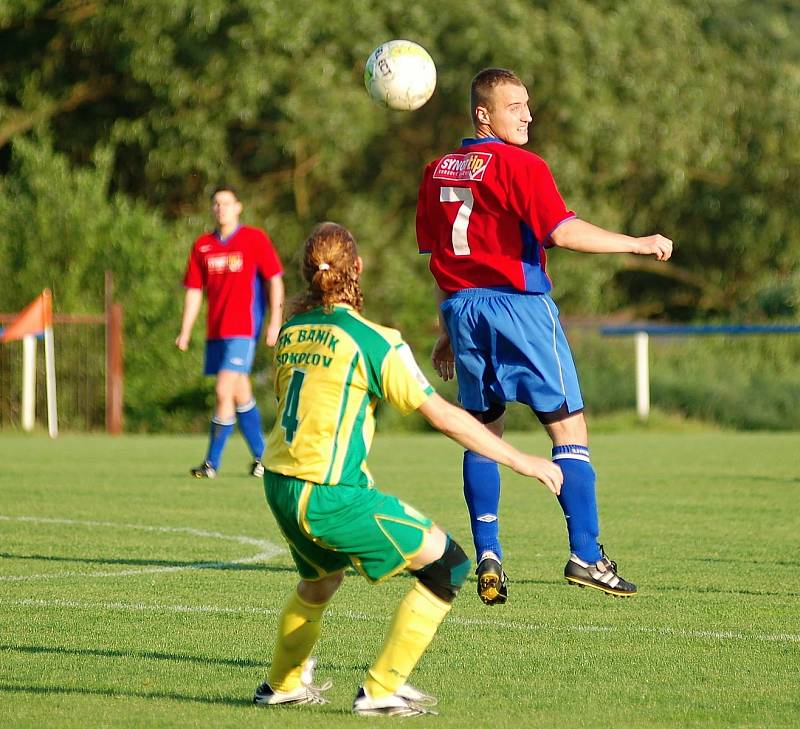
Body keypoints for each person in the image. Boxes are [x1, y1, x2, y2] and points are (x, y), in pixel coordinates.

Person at [253, 222, 563, 716]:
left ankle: (284, 683)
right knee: (450, 566)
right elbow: (444, 416)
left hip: (280, 484)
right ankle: (381, 690)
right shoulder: (376, 341)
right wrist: (521, 460)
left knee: (319, 583)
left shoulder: (291, 332)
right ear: (357, 269)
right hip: (328, 494)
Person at [416, 68, 673, 605]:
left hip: (463, 310)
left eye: (527, 105)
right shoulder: (521, 164)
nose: (528, 115)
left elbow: (441, 261)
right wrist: (637, 242)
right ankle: (586, 553)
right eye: (516, 107)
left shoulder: (438, 170)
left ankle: (488, 552)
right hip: (520, 308)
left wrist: (445, 328)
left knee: (484, 432)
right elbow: (562, 232)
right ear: (484, 114)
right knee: (569, 429)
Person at [176, 186, 285, 479]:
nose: (220, 208)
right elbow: (194, 291)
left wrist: (275, 320)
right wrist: (185, 331)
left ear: (239, 207)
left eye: (226, 203)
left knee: (223, 390)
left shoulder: (254, 239)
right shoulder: (202, 246)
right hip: (216, 333)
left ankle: (211, 463)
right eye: (216, 203)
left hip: (244, 329)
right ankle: (264, 459)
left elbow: (274, 280)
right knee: (239, 393)